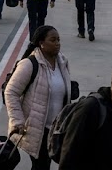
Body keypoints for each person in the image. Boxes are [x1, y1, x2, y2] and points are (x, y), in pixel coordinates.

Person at [4, 26, 71, 169]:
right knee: (41, 165)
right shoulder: (29, 64)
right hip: (37, 129)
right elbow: (11, 92)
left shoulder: (62, 62)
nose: (57, 43)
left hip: (57, 129)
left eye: (58, 39)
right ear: (41, 43)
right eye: (52, 40)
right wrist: (17, 121)